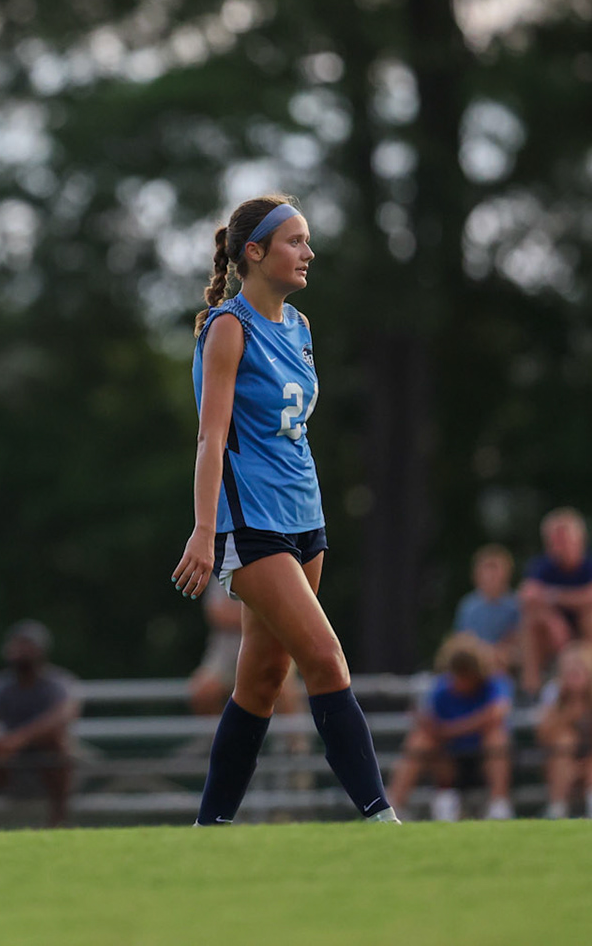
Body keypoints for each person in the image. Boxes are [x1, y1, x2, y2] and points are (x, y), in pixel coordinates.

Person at [172, 196, 398, 824]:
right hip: (253, 526)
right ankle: (383, 818)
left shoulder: (297, 327)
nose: (308, 253)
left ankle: (208, 828)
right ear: (255, 252)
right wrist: (203, 529)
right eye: (295, 241)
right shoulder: (228, 327)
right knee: (325, 659)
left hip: (306, 521)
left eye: (307, 241)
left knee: (263, 683)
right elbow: (210, 437)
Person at [0, 621, 81, 829]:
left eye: (26, 646)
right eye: (17, 646)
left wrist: (19, 739)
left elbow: (63, 717)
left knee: (58, 746)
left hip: (41, 752)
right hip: (7, 755)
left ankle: (59, 821)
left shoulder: (58, 683)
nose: (20, 652)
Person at [386, 635, 513, 821]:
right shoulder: (441, 689)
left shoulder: (494, 684)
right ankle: (394, 805)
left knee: (497, 737)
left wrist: (451, 730)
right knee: (420, 740)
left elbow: (496, 714)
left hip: (482, 759)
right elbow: (429, 723)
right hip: (449, 762)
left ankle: (498, 804)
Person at [519, 509, 592, 692]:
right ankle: (531, 690)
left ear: (579, 539)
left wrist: (554, 597)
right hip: (555, 639)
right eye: (553, 540)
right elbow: (527, 595)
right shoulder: (541, 566)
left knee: (591, 615)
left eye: (563, 539)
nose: (558, 545)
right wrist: (552, 618)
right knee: (533, 621)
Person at [535, 642, 592, 820]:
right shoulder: (553, 693)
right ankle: (557, 808)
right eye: (568, 669)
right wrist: (567, 716)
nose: (572, 675)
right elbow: (543, 737)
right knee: (565, 740)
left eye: (578, 668)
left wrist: (583, 767)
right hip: (562, 761)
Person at [451, 545, 522, 674]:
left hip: (505, 661)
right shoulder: (468, 606)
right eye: (486, 569)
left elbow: (518, 640)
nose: (491, 575)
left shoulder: (517, 604)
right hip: (475, 659)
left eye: (495, 569)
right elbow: (462, 638)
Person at [187, 582, 245, 716]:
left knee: (283, 690)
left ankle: (294, 736)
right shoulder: (224, 566)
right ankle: (216, 736)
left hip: (268, 647)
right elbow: (216, 613)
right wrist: (257, 617)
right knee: (203, 691)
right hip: (224, 654)